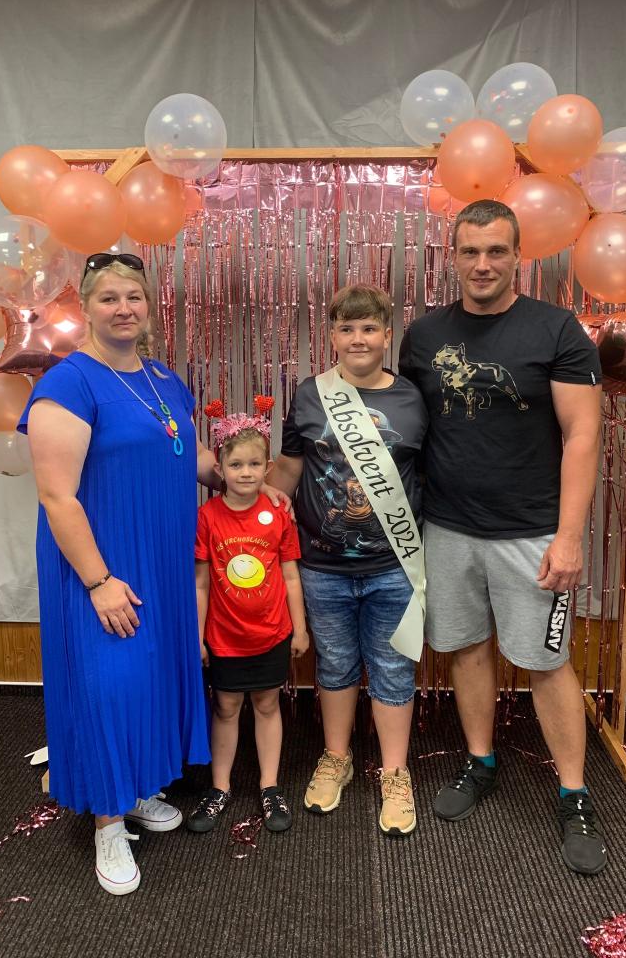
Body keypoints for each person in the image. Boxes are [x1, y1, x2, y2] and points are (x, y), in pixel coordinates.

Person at [18, 252, 288, 896]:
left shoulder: (164, 378)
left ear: (148, 305)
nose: (123, 309)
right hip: (104, 565)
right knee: (110, 684)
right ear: (86, 307)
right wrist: (98, 581)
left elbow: (186, 453)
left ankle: (135, 789)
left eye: (133, 297)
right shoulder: (67, 384)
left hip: (164, 562)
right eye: (108, 298)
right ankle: (107, 824)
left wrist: (244, 483)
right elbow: (57, 496)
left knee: (151, 680)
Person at [398, 199, 606, 875]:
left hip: (532, 531)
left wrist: (569, 537)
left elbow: (583, 436)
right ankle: (481, 760)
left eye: (496, 251)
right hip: (447, 527)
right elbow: (407, 426)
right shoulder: (424, 335)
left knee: (545, 661)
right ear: (452, 257)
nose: (483, 264)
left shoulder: (556, 329)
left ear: (519, 255)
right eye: (470, 251)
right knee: (465, 649)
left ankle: (574, 794)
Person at [268, 284, 428, 836]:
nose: (358, 339)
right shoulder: (310, 394)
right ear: (331, 335)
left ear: (387, 334)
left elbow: (431, 474)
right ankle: (337, 757)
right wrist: (252, 510)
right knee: (334, 665)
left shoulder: (412, 398)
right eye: (346, 328)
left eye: (368, 328)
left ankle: (395, 771)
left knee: (392, 668)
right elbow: (290, 469)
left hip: (394, 566)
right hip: (322, 566)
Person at [187, 409, 309, 834]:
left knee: (267, 704)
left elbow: (291, 575)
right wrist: (198, 637)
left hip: (272, 635)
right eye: (236, 464)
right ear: (219, 469)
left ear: (268, 467)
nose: (246, 472)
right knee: (226, 707)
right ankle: (219, 787)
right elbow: (200, 583)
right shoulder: (207, 517)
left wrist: (300, 628)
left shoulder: (278, 513)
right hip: (225, 638)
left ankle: (269, 785)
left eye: (255, 464)